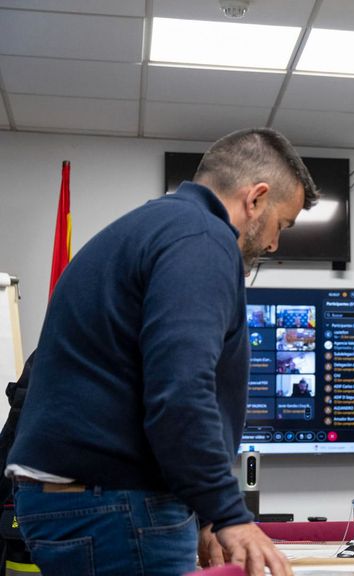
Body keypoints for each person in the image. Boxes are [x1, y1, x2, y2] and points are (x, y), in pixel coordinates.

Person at [6, 128, 318, 576]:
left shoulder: (146, 228)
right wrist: (230, 514)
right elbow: (181, 389)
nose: (273, 244)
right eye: (280, 225)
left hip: (80, 501)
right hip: (116, 506)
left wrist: (207, 512)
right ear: (256, 198)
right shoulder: (204, 239)